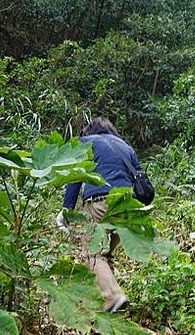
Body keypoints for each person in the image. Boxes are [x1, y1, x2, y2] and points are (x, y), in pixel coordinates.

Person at [56, 117, 142, 312]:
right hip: (128, 205)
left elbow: (76, 176)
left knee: (92, 253)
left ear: (89, 131)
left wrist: (66, 210)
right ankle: (104, 301)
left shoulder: (86, 143)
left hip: (100, 202)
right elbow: (138, 177)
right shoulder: (126, 147)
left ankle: (113, 297)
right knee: (105, 254)